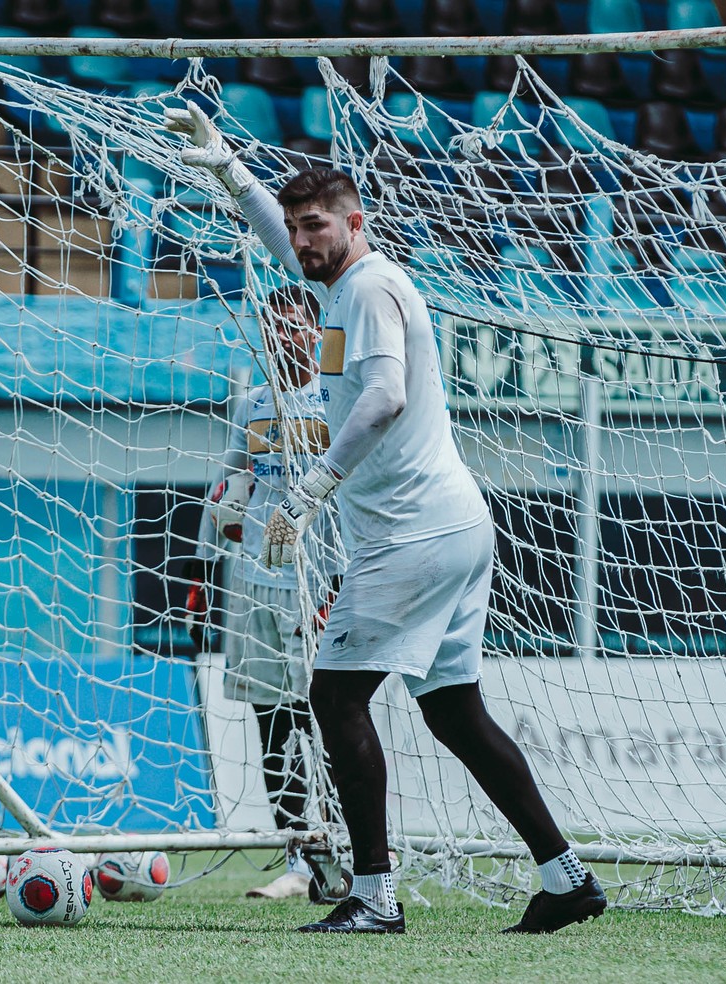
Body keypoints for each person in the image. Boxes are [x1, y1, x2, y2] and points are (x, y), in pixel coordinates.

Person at [166, 101, 608, 935]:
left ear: (355, 222)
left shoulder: (368, 287)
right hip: (450, 526)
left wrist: (313, 485)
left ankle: (372, 895)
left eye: (316, 226)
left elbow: (385, 397)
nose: (301, 241)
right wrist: (226, 165)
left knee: (334, 697)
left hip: (414, 534)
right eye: (297, 228)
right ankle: (566, 877)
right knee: (454, 711)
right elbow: (270, 226)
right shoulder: (342, 282)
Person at [183, 287, 345, 900]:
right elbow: (230, 483)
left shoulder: (333, 402)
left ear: (315, 330)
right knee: (270, 725)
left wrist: (339, 582)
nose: (282, 336)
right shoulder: (251, 404)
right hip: (252, 583)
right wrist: (204, 564)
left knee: (327, 719)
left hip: (314, 585)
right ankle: (300, 858)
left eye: (293, 325)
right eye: (272, 326)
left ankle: (347, 847)